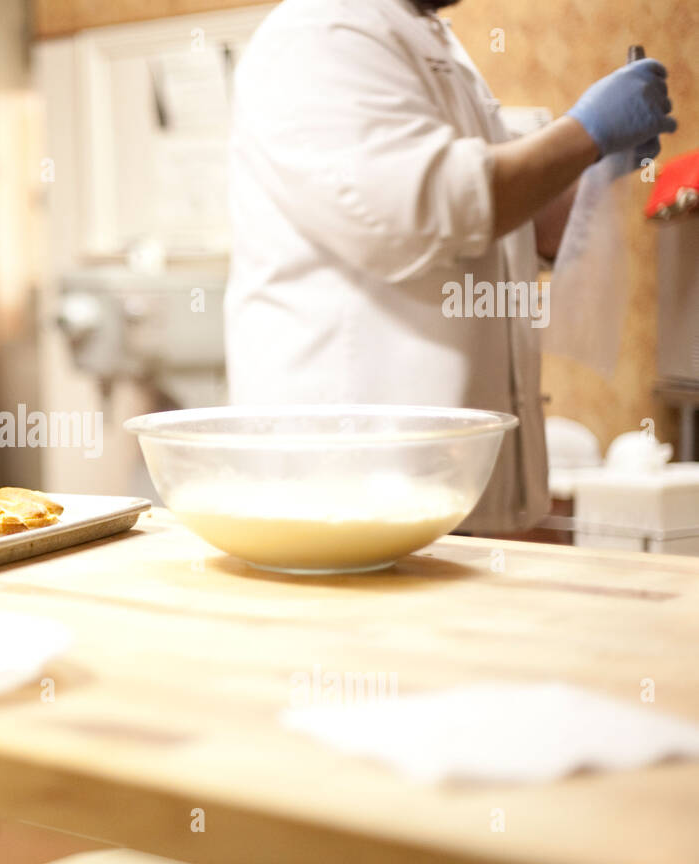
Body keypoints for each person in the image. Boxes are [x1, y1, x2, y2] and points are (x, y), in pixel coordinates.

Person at [225, 0, 677, 532]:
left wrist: (595, 165)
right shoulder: (322, 31)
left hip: (445, 489)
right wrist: (585, 134)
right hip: (351, 489)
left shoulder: (430, 42)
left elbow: (512, 226)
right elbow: (431, 205)